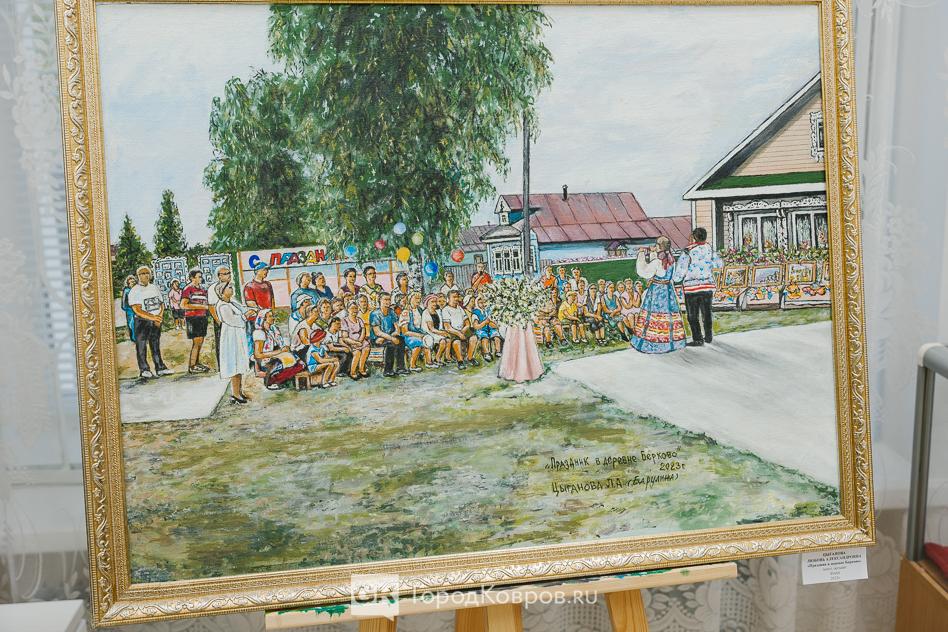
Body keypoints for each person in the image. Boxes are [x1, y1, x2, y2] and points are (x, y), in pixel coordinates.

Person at [630, 237, 687, 354]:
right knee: (668, 315)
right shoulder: (671, 260)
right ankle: (672, 343)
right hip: (668, 291)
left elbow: (644, 272)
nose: (655, 247)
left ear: (659, 247)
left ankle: (653, 344)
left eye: (656, 245)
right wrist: (652, 254)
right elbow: (664, 271)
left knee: (653, 315)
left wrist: (641, 255)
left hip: (657, 292)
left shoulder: (657, 262)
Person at [673, 227, 722, 347]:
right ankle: (708, 336)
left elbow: (681, 269)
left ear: (694, 237)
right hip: (707, 286)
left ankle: (698, 338)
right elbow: (719, 264)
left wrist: (676, 279)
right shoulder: (709, 248)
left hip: (691, 288)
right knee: (707, 313)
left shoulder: (688, 251)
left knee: (692, 315)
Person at [127, 265, 171, 379]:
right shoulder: (135, 290)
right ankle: (144, 369)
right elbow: (137, 309)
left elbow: (161, 303)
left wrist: (159, 317)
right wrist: (152, 318)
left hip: (156, 320)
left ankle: (160, 367)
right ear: (138, 276)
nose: (145, 275)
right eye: (142, 274)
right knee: (141, 345)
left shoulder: (154, 288)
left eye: (147, 273)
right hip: (142, 321)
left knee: (155, 344)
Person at [214, 281, 251, 404]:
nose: (231, 289)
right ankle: (235, 393)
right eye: (229, 287)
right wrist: (245, 316)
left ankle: (238, 391)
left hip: (237, 335)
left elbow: (242, 310)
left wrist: (249, 311)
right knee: (234, 365)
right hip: (231, 337)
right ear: (222, 291)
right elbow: (231, 320)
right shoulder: (223, 306)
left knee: (239, 363)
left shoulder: (232, 302)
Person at [180, 268, 211, 374]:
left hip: (202, 317)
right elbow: (183, 305)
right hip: (193, 318)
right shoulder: (188, 289)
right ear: (192, 278)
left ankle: (196, 363)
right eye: (198, 277)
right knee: (196, 342)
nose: (200, 279)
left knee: (200, 341)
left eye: (201, 277)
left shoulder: (203, 290)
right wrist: (201, 306)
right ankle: (192, 365)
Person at [370, 293, 407, 377]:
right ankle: (388, 370)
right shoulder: (375, 314)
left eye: (389, 299)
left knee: (401, 340)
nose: (388, 301)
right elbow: (377, 332)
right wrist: (391, 338)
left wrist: (393, 335)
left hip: (389, 335)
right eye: (385, 299)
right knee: (391, 344)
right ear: (380, 300)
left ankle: (400, 368)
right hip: (377, 338)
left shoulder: (391, 312)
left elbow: (397, 328)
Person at [207, 265, 234, 369]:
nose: (229, 275)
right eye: (226, 274)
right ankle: (223, 367)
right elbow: (211, 307)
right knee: (222, 343)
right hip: (221, 319)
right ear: (219, 276)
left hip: (232, 318)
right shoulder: (213, 288)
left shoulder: (231, 286)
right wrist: (218, 321)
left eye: (229, 273)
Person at [442, 290, 478, 368]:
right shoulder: (446, 310)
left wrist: (463, 330)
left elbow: (467, 323)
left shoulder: (460, 308)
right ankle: (460, 361)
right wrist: (459, 333)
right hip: (452, 331)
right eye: (454, 297)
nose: (456, 299)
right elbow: (447, 327)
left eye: (457, 297)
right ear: (449, 298)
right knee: (456, 342)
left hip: (462, 330)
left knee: (474, 337)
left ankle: (470, 357)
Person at [400, 291, 434, 371]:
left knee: (428, 341)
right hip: (409, 336)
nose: (418, 300)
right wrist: (420, 335)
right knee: (418, 343)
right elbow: (405, 331)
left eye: (419, 298)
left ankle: (429, 362)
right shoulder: (406, 312)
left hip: (419, 333)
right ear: (410, 299)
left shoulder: (420, 310)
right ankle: (412, 365)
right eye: (416, 298)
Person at [341, 300, 371, 379]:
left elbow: (363, 331)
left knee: (366, 348)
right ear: (348, 309)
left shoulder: (359, 319)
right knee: (357, 353)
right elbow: (345, 337)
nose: (354, 310)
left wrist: (360, 340)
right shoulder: (344, 320)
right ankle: (353, 372)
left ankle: (361, 369)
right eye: (352, 308)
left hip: (360, 340)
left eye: (356, 308)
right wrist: (355, 343)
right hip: (350, 341)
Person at [470, 294, 502, 361]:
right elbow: (476, 326)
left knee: (496, 336)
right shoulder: (476, 312)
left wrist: (492, 324)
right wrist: (484, 322)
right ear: (477, 303)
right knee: (484, 338)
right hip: (481, 329)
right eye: (481, 303)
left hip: (490, 328)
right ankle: (486, 353)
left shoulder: (489, 311)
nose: (483, 304)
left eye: (485, 302)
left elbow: (495, 323)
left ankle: (498, 351)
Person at [243, 262, 274, 328]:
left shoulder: (268, 284)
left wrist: (271, 314)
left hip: (267, 319)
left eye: (267, 270)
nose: (266, 271)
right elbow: (251, 304)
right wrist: (264, 315)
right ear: (257, 271)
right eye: (264, 269)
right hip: (254, 319)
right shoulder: (249, 286)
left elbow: (272, 300)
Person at [421, 294, 449, 365]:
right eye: (432, 302)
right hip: (428, 333)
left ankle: (438, 358)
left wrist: (443, 331)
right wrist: (442, 333)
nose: (435, 303)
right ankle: (434, 359)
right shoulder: (426, 312)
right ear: (427, 303)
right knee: (442, 340)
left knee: (446, 340)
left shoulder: (437, 312)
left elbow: (440, 325)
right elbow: (431, 329)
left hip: (436, 332)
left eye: (435, 302)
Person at [120, 275, 138, 342]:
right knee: (131, 323)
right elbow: (124, 302)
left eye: (134, 282)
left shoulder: (136, 289)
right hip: (130, 310)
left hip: (137, 308)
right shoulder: (126, 290)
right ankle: (134, 338)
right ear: (128, 283)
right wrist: (126, 309)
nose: (133, 283)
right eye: (131, 282)